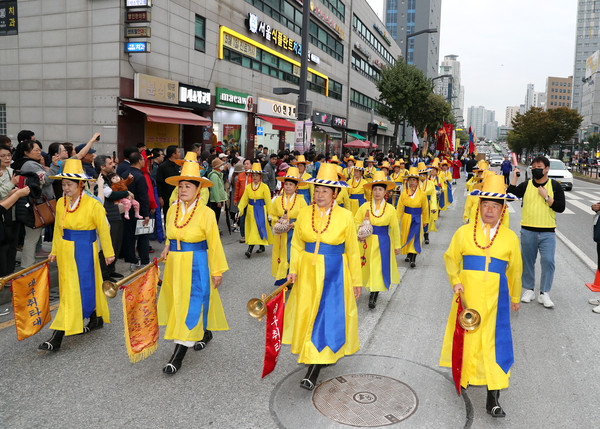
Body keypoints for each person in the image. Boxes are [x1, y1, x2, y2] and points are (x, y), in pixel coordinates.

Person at [439, 174, 522, 418]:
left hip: (497, 301)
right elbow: (450, 258)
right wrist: (455, 281)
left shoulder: (510, 238)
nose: (489, 210)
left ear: (502, 209)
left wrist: (515, 298)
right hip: (469, 299)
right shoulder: (464, 233)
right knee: (468, 341)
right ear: (479, 205)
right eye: (486, 204)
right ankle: (463, 376)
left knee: (494, 347)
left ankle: (493, 398)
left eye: (495, 206)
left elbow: (516, 271)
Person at [283, 163, 362, 390]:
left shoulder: (346, 216)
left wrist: (356, 280)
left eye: (325, 191)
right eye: (316, 190)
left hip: (334, 273)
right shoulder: (305, 212)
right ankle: (311, 353)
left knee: (326, 314)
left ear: (335, 193)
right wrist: (293, 269)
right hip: (307, 273)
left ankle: (314, 368)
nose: (319, 194)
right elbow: (297, 245)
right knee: (308, 311)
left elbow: (353, 250)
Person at [158, 152, 229, 375]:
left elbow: (215, 244)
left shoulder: (206, 213)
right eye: (180, 186)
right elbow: (171, 233)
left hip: (197, 262)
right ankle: (205, 332)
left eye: (188, 186)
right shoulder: (172, 209)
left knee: (192, 303)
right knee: (178, 300)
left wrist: (217, 270)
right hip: (175, 264)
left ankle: (178, 354)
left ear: (198, 189)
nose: (183, 190)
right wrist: (168, 245)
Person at [39, 159, 115, 351]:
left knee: (80, 288)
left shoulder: (93, 203)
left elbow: (103, 230)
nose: (65, 188)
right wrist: (54, 250)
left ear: (80, 184)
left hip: (84, 250)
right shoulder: (61, 203)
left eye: (69, 184)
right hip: (65, 250)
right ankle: (95, 317)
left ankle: (57, 336)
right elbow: (58, 229)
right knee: (71, 289)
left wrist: (108, 253)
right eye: (63, 184)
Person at [508, 156, 565, 308]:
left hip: (548, 232)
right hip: (528, 230)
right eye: (533, 166)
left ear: (547, 169)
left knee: (548, 261)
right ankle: (529, 289)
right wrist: (514, 178)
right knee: (527, 262)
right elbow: (510, 196)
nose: (535, 169)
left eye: (539, 166)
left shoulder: (554, 186)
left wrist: (546, 196)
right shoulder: (526, 185)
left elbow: (560, 207)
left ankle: (544, 293)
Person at [355, 171, 401, 309]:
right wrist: (362, 226)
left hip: (383, 242)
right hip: (366, 242)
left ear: (385, 191)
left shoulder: (391, 209)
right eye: (375, 189)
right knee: (367, 265)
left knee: (378, 267)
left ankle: (374, 293)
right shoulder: (364, 207)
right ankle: (368, 285)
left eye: (380, 189)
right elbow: (355, 221)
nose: (377, 192)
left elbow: (394, 228)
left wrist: (397, 245)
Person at [12, 140, 59, 267]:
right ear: (26, 152)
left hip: (35, 205)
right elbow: (45, 180)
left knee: (32, 237)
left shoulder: (29, 163)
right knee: (31, 238)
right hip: (36, 206)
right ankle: (27, 267)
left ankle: (29, 265)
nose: (39, 152)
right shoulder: (30, 165)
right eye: (36, 150)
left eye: (39, 149)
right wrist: (54, 166)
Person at [268, 166, 307, 286]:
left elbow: (304, 216)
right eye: (286, 184)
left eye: (291, 185)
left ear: (296, 187)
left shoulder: (301, 200)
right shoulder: (278, 200)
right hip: (281, 232)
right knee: (281, 254)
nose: (288, 187)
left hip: (294, 232)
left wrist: (294, 224)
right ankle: (282, 278)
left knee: (292, 255)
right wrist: (277, 221)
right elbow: (272, 214)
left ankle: (292, 277)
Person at [95, 155, 126, 282]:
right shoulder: (100, 179)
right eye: (110, 163)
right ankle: (104, 274)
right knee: (108, 245)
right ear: (102, 167)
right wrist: (126, 193)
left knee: (116, 244)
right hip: (108, 216)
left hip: (115, 214)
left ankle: (111, 270)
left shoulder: (108, 178)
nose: (113, 165)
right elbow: (111, 195)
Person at [121, 152, 151, 271]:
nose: (144, 161)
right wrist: (146, 214)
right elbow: (143, 197)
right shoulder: (140, 176)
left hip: (126, 210)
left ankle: (132, 260)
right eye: (143, 159)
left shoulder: (123, 174)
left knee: (129, 236)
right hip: (138, 211)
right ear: (139, 161)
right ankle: (144, 261)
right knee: (143, 236)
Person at [238, 162, 273, 258]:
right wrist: (240, 209)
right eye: (253, 175)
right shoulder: (249, 187)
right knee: (255, 228)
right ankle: (261, 246)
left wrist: (270, 213)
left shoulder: (264, 187)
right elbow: (244, 199)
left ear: (260, 176)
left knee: (257, 228)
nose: (254, 177)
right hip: (251, 211)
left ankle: (249, 250)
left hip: (261, 210)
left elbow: (268, 201)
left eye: (256, 175)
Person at [397, 167, 429, 268]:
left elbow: (425, 208)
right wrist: (396, 219)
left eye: (414, 180)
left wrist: (425, 220)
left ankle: (413, 258)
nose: (412, 182)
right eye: (410, 180)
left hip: (417, 218)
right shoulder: (404, 194)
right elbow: (399, 208)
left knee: (416, 237)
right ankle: (408, 253)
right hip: (406, 217)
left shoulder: (422, 194)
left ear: (417, 181)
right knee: (406, 235)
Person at [0, 145, 20, 276]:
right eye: (3, 156)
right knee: (3, 246)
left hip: (14, 214)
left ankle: (10, 273)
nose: (7, 158)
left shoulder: (11, 171)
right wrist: (12, 184)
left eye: (9, 155)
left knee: (13, 246)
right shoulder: (8, 176)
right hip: (2, 215)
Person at [156, 145, 181, 220]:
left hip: (179, 196)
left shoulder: (178, 165)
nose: (179, 154)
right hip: (167, 197)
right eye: (178, 152)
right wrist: (160, 197)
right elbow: (159, 182)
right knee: (168, 217)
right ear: (173, 154)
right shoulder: (163, 166)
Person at [417, 162, 438, 243]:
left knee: (427, 219)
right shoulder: (415, 183)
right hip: (418, 204)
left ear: (426, 175)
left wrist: (433, 207)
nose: (423, 176)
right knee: (418, 220)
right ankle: (417, 236)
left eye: (424, 174)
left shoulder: (431, 183)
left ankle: (426, 236)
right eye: (421, 174)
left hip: (427, 204)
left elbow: (433, 195)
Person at [234, 158, 253, 243]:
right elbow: (237, 188)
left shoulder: (254, 175)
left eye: (247, 164)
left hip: (252, 201)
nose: (245, 166)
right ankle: (243, 235)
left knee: (251, 218)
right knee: (242, 218)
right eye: (244, 164)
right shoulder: (240, 175)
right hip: (242, 201)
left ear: (252, 165)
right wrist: (236, 199)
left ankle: (251, 234)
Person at [207, 156, 228, 227]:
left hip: (218, 199)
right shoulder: (214, 176)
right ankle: (213, 230)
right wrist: (218, 201)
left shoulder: (218, 174)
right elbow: (215, 189)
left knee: (217, 216)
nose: (222, 166)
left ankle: (215, 229)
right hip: (216, 200)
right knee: (215, 217)